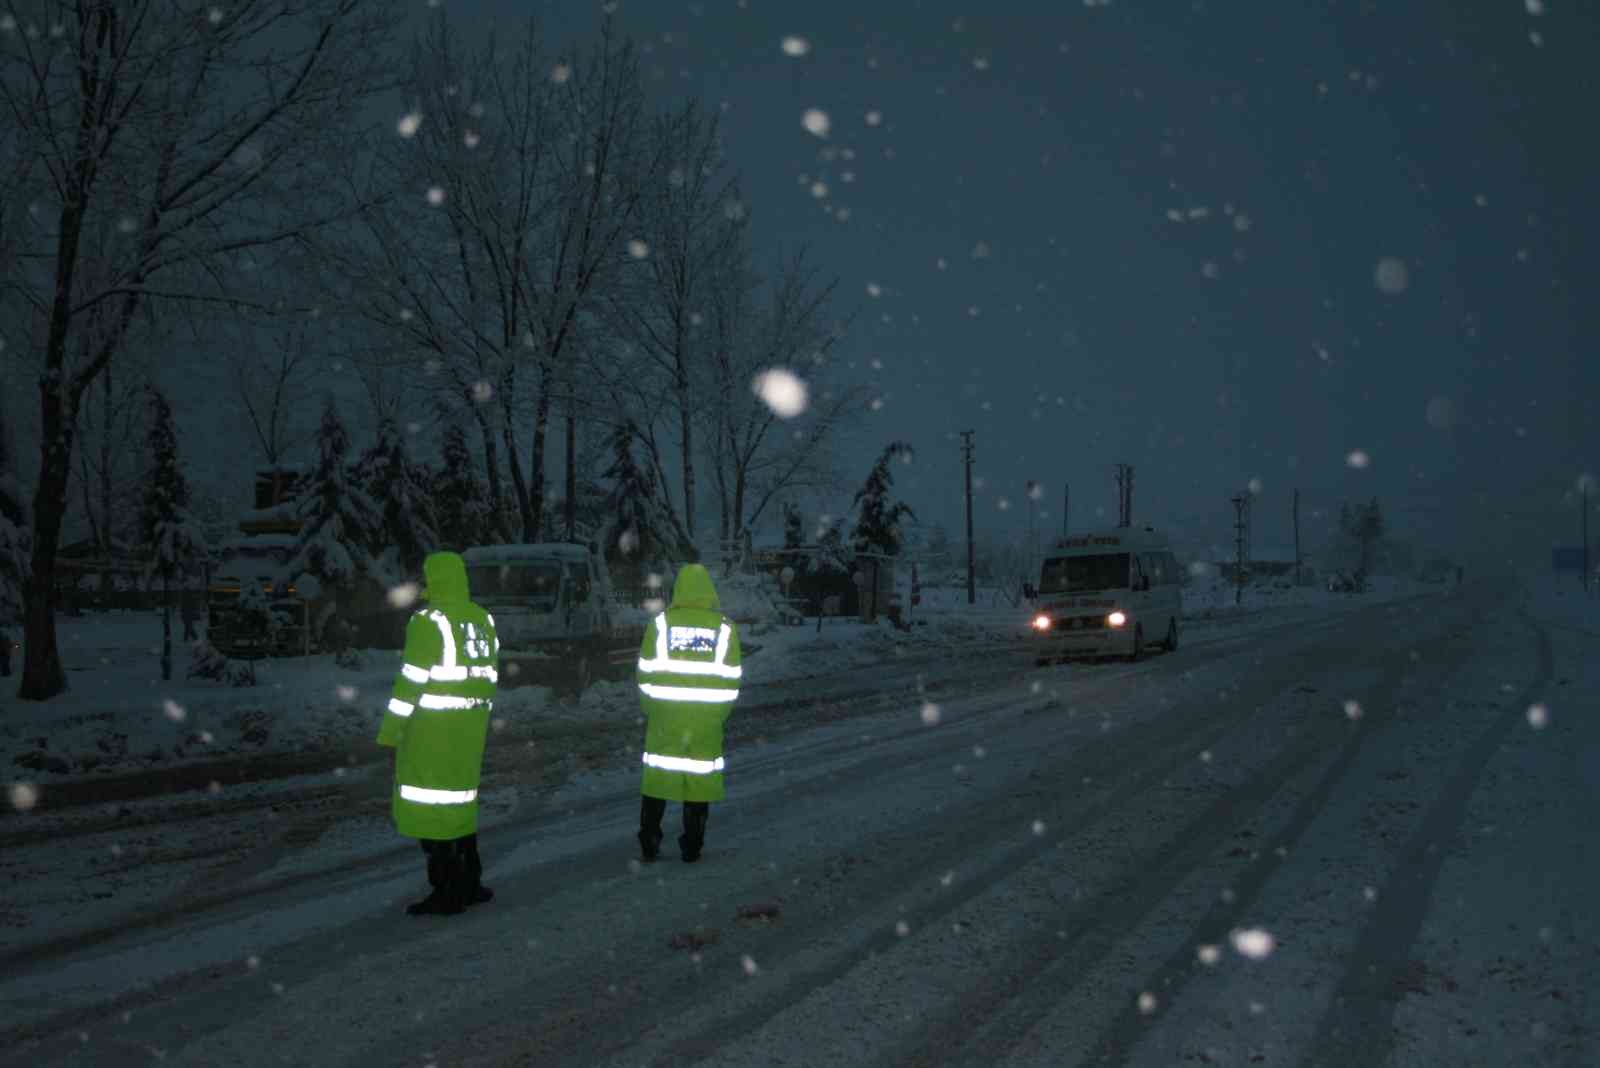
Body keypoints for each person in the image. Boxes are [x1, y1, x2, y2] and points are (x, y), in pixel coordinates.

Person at [377, 552, 500, 916]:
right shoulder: (481, 619)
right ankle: (470, 882)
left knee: (433, 813)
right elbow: (490, 675)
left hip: (433, 733)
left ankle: (447, 891)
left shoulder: (429, 621)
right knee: (459, 808)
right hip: (469, 731)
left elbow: (411, 682)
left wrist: (390, 731)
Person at [635, 563, 742, 863]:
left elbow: (645, 674)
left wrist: (653, 710)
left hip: (665, 720)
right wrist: (716, 715)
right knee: (698, 785)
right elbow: (732, 680)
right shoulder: (724, 629)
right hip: (705, 724)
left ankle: (649, 841)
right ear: (709, 589)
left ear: (678, 589)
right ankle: (692, 845)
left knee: (657, 781)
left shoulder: (661, 625)